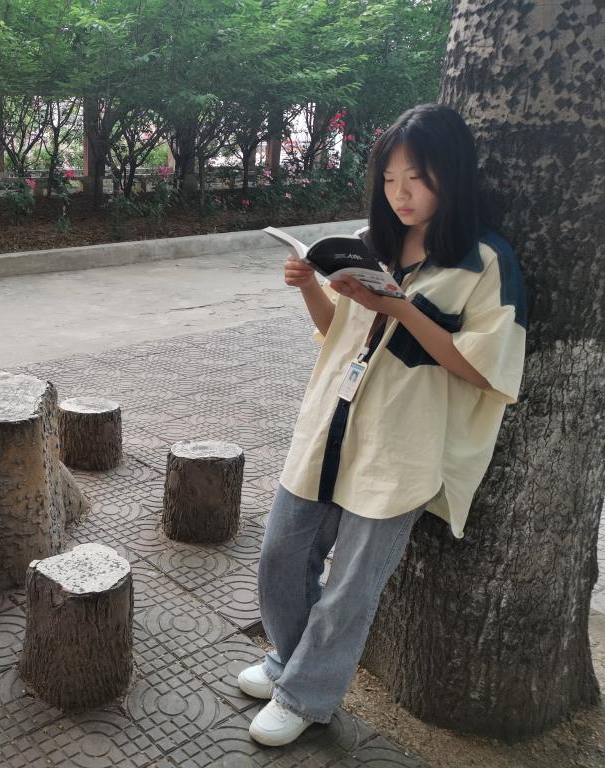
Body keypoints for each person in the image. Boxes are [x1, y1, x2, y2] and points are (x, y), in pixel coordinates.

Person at [239, 104, 527, 746]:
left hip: (403, 445)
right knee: (281, 554)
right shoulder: (369, 243)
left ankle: (306, 695)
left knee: (350, 586)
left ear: (452, 175)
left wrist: (398, 306)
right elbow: (337, 332)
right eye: (391, 178)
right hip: (330, 428)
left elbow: (485, 369)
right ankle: (290, 663)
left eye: (417, 177)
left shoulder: (486, 261)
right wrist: (309, 286)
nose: (401, 193)